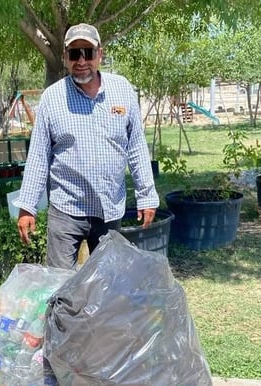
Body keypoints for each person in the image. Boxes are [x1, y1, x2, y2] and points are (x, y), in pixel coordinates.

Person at [14, 23, 159, 269]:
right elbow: (39, 156)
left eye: (88, 53)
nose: (81, 61)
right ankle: (64, 310)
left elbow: (135, 146)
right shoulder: (52, 98)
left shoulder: (122, 90)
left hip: (109, 208)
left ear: (100, 54)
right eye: (74, 53)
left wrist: (146, 195)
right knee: (60, 285)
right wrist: (27, 207)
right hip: (66, 211)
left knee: (107, 283)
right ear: (65, 58)